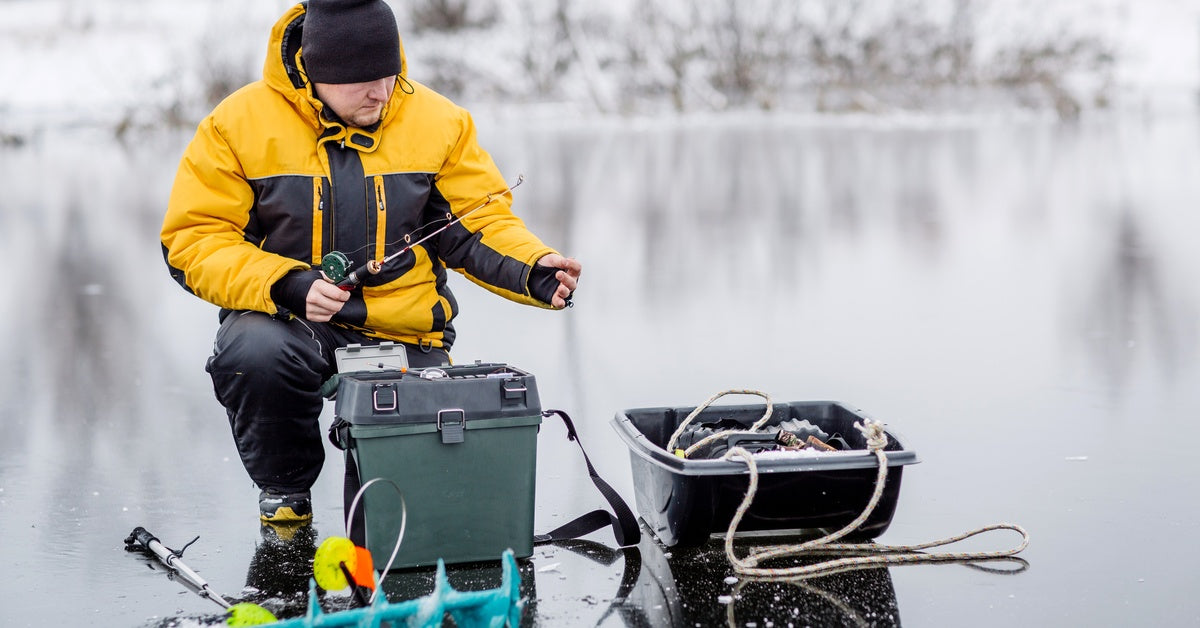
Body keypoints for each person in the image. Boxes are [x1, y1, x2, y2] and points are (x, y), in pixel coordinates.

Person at [160, 0, 580, 524]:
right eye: (361, 80)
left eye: (388, 74)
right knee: (253, 350)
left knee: (402, 513)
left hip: (407, 335)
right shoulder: (236, 125)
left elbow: (480, 225)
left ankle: (388, 518)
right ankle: (285, 492)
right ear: (317, 72)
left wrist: (532, 268)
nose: (380, 92)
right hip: (294, 324)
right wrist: (285, 283)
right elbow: (194, 240)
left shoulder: (440, 122)